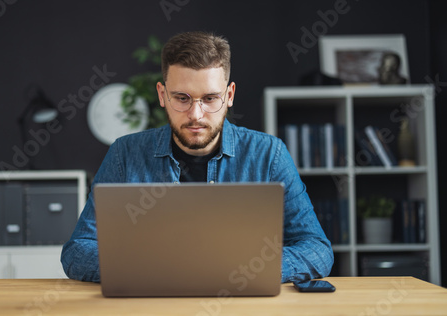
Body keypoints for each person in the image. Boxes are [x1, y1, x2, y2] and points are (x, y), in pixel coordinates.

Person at [61, 31, 334, 283]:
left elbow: (317, 249)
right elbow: (77, 251)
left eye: (210, 98)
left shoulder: (269, 154)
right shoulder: (124, 154)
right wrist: (150, 268)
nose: (196, 114)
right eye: (182, 98)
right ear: (162, 95)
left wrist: (244, 269)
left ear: (229, 96)